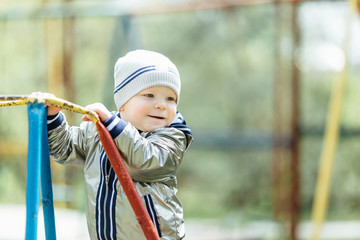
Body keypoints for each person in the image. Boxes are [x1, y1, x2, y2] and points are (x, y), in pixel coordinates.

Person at [45, 50, 193, 239]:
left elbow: (145, 162)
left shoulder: (171, 136)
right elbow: (64, 148)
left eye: (170, 98)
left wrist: (113, 126)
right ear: (123, 102)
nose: (161, 105)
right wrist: (52, 117)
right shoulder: (99, 131)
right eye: (149, 95)